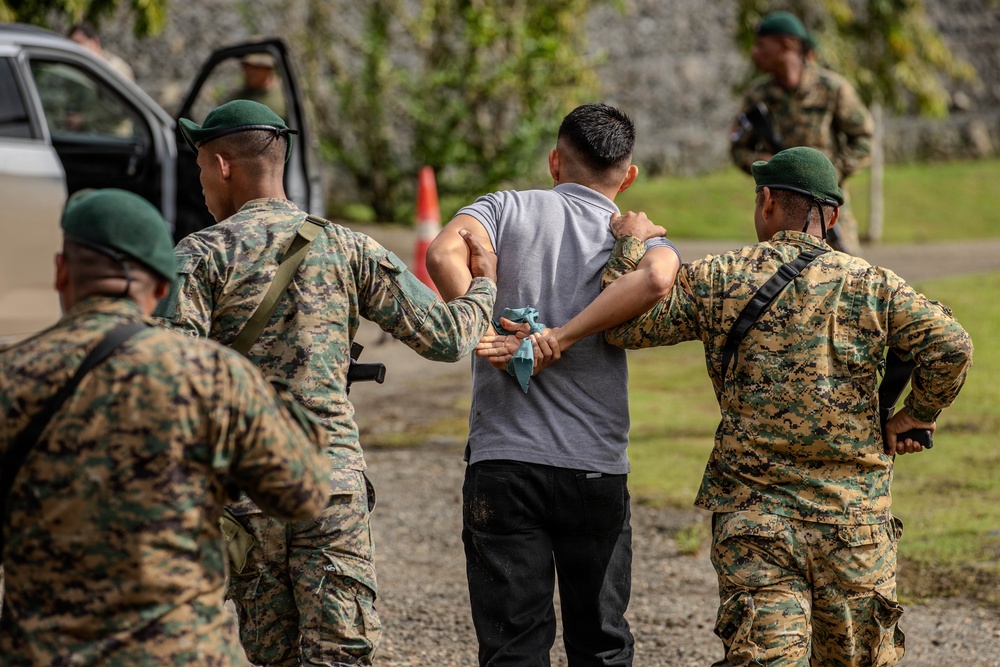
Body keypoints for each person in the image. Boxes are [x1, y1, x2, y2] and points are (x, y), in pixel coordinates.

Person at [587, 147, 973, 666]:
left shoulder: (719, 277)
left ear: (766, 202)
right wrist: (916, 414)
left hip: (754, 523)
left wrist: (631, 245)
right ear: (832, 215)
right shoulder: (875, 285)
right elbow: (951, 346)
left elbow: (619, 324)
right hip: (852, 525)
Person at [155, 99, 498, 666]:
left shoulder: (198, 255)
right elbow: (445, 337)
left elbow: (171, 384)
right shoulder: (346, 246)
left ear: (221, 165)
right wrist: (483, 286)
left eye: (199, 170)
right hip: (329, 486)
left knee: (274, 658)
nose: (201, 186)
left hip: (246, 497)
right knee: (341, 657)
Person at [0, 188, 332, 665]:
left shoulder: (11, 377)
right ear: (160, 290)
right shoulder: (213, 375)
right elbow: (303, 494)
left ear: (61, 273)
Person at [425, 102, 681, 666]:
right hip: (595, 467)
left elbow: (441, 252)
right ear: (628, 175)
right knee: (602, 645)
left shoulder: (504, 208)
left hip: (504, 463)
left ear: (554, 162)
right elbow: (659, 278)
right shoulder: (638, 239)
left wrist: (493, 334)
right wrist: (561, 339)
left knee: (512, 647)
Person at [729, 11, 874, 256]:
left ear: (787, 44)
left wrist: (830, 173)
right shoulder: (758, 96)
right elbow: (737, 147)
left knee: (847, 271)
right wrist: (764, 165)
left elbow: (864, 140)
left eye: (762, 45)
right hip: (778, 211)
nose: (755, 52)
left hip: (828, 208)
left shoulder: (832, 89)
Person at [222, 53, 287, 120]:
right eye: (246, 66)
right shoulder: (235, 99)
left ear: (268, 69)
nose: (249, 71)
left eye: (255, 67)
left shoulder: (286, 96)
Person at [68, 22, 135, 81]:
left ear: (95, 42)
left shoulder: (117, 68)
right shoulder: (76, 67)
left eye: (79, 43)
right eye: (72, 44)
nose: (75, 48)